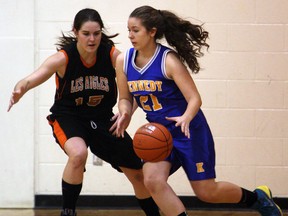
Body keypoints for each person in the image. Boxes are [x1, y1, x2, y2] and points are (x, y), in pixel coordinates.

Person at [114, 5, 283, 216]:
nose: (130, 35)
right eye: (128, 30)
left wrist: (186, 117)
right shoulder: (123, 61)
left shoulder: (169, 60)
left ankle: (258, 198)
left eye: (135, 30)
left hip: (188, 130)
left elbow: (194, 98)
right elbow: (125, 98)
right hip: (159, 133)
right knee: (152, 180)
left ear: (152, 31)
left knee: (206, 192)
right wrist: (125, 113)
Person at [7, 8, 160, 216]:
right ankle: (68, 212)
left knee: (138, 174)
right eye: (86, 33)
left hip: (103, 118)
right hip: (69, 117)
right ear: (75, 32)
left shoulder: (112, 55)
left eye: (96, 33)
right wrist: (20, 87)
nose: (92, 39)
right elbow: (32, 77)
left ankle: (154, 213)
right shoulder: (64, 58)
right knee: (78, 154)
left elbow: (130, 89)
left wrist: (126, 112)